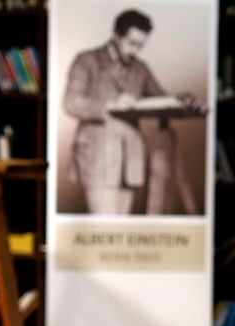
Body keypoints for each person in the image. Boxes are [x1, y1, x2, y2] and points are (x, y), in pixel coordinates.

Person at [62, 9, 198, 215]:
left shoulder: (141, 68)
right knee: (103, 228)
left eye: (141, 46)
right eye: (132, 43)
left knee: (121, 229)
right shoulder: (86, 60)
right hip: (98, 157)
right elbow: (71, 102)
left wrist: (183, 99)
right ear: (116, 35)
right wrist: (110, 105)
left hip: (131, 160)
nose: (135, 51)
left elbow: (160, 98)